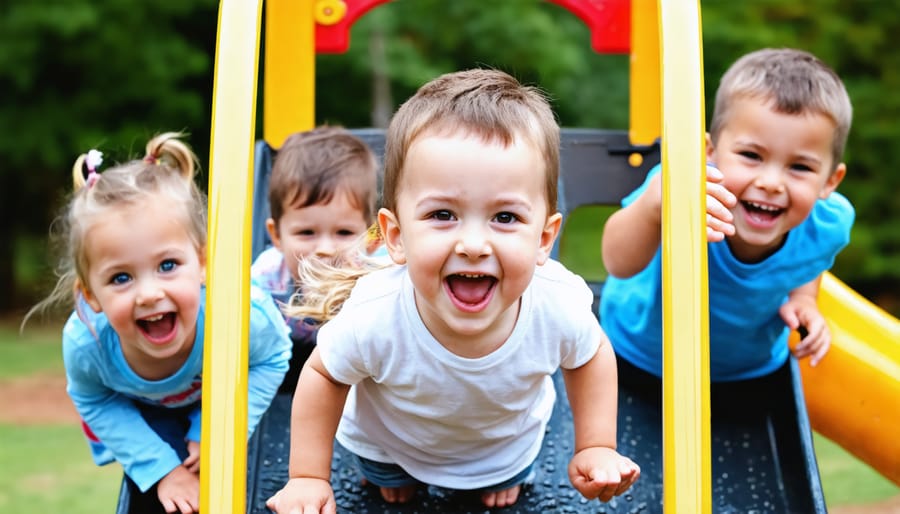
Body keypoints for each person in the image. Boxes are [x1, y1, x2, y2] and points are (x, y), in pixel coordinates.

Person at [265, 69, 640, 514]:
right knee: (383, 476)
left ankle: (495, 476)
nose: (474, 245)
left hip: (503, 449)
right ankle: (395, 472)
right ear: (396, 236)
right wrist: (308, 476)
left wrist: (595, 444)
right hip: (391, 444)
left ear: (544, 238)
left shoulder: (554, 304)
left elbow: (590, 354)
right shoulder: (376, 311)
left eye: (504, 218)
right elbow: (325, 375)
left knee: (502, 484)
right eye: (443, 214)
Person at [25, 133, 291, 514]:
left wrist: (214, 430)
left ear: (202, 263)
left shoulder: (240, 314)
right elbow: (93, 398)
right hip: (141, 407)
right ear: (91, 295)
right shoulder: (88, 345)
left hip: (212, 394)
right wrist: (161, 469)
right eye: (120, 278)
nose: (148, 294)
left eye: (167, 266)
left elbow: (274, 355)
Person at [600, 48, 854, 387]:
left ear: (830, 182)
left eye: (800, 167)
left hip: (748, 371)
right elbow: (616, 263)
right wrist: (651, 209)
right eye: (751, 155)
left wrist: (804, 298)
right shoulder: (682, 190)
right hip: (640, 355)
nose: (770, 183)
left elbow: (810, 257)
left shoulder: (828, 224)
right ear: (709, 152)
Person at [251, 126, 379, 393]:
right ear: (276, 236)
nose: (325, 249)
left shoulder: (378, 278)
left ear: (369, 235)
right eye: (306, 233)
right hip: (287, 373)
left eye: (344, 232)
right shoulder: (264, 280)